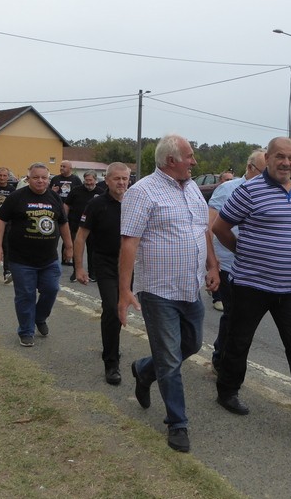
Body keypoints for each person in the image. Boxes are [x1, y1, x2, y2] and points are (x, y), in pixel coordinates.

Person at [212, 137, 291, 438]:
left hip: (290, 288)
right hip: (250, 285)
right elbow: (219, 227)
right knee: (238, 342)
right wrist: (243, 253)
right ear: (268, 158)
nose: (286, 162)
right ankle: (227, 392)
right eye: (280, 156)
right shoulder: (248, 191)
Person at [118, 134, 219, 453]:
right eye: (189, 156)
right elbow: (129, 242)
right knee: (171, 360)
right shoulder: (142, 192)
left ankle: (144, 370)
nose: (194, 162)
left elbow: (203, 230)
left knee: (191, 344)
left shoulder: (191, 188)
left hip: (191, 287)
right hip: (158, 290)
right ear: (171, 160)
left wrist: (213, 266)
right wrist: (124, 290)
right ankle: (177, 423)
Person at [0, 162, 72, 347]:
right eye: (36, 177)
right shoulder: (16, 197)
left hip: (49, 259)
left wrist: (69, 246)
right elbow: (0, 222)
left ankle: (39, 317)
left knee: (51, 289)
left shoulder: (54, 197)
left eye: (44, 178)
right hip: (21, 259)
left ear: (49, 179)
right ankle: (26, 331)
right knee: (26, 295)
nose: (40, 181)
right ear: (28, 179)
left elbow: (63, 223)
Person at [208, 149, 266, 372]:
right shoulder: (228, 189)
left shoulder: (271, 191)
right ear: (250, 168)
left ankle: (227, 359)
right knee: (233, 314)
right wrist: (211, 262)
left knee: (241, 316)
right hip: (228, 262)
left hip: (253, 266)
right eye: (263, 172)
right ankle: (221, 360)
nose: (267, 177)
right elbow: (210, 225)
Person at [73, 162, 130, 385]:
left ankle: (112, 344)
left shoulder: (135, 202)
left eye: (125, 178)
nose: (121, 183)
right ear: (106, 180)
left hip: (129, 265)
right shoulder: (96, 204)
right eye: (117, 178)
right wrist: (79, 267)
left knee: (121, 308)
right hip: (105, 264)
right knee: (112, 309)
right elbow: (81, 236)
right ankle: (111, 363)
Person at [64, 169, 105, 282]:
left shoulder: (101, 192)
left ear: (95, 180)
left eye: (90, 180)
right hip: (76, 225)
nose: (88, 183)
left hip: (94, 227)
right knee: (77, 249)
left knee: (92, 251)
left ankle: (92, 273)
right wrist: (65, 218)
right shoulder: (76, 190)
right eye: (86, 180)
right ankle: (76, 271)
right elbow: (66, 204)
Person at [210, 170, 235, 311]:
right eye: (226, 179)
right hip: (222, 246)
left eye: (231, 179)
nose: (229, 181)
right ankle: (217, 297)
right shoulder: (222, 191)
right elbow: (211, 221)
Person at [50, 160, 82, 264]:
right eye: (61, 166)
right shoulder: (55, 179)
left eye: (64, 166)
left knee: (69, 236)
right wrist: (52, 191)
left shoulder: (76, 180)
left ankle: (66, 259)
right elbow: (48, 193)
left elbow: (80, 194)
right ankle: (51, 257)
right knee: (54, 235)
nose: (61, 168)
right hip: (56, 210)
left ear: (70, 168)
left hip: (71, 213)